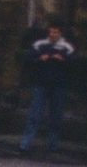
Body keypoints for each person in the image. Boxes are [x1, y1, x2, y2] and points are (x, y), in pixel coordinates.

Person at [20, 22, 75, 156]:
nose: (53, 34)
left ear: (60, 33)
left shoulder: (67, 47)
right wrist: (40, 58)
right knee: (34, 115)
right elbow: (28, 59)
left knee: (55, 117)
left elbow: (74, 63)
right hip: (41, 83)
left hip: (58, 85)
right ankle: (25, 144)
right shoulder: (40, 45)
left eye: (56, 32)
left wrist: (62, 59)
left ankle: (53, 145)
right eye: (51, 32)